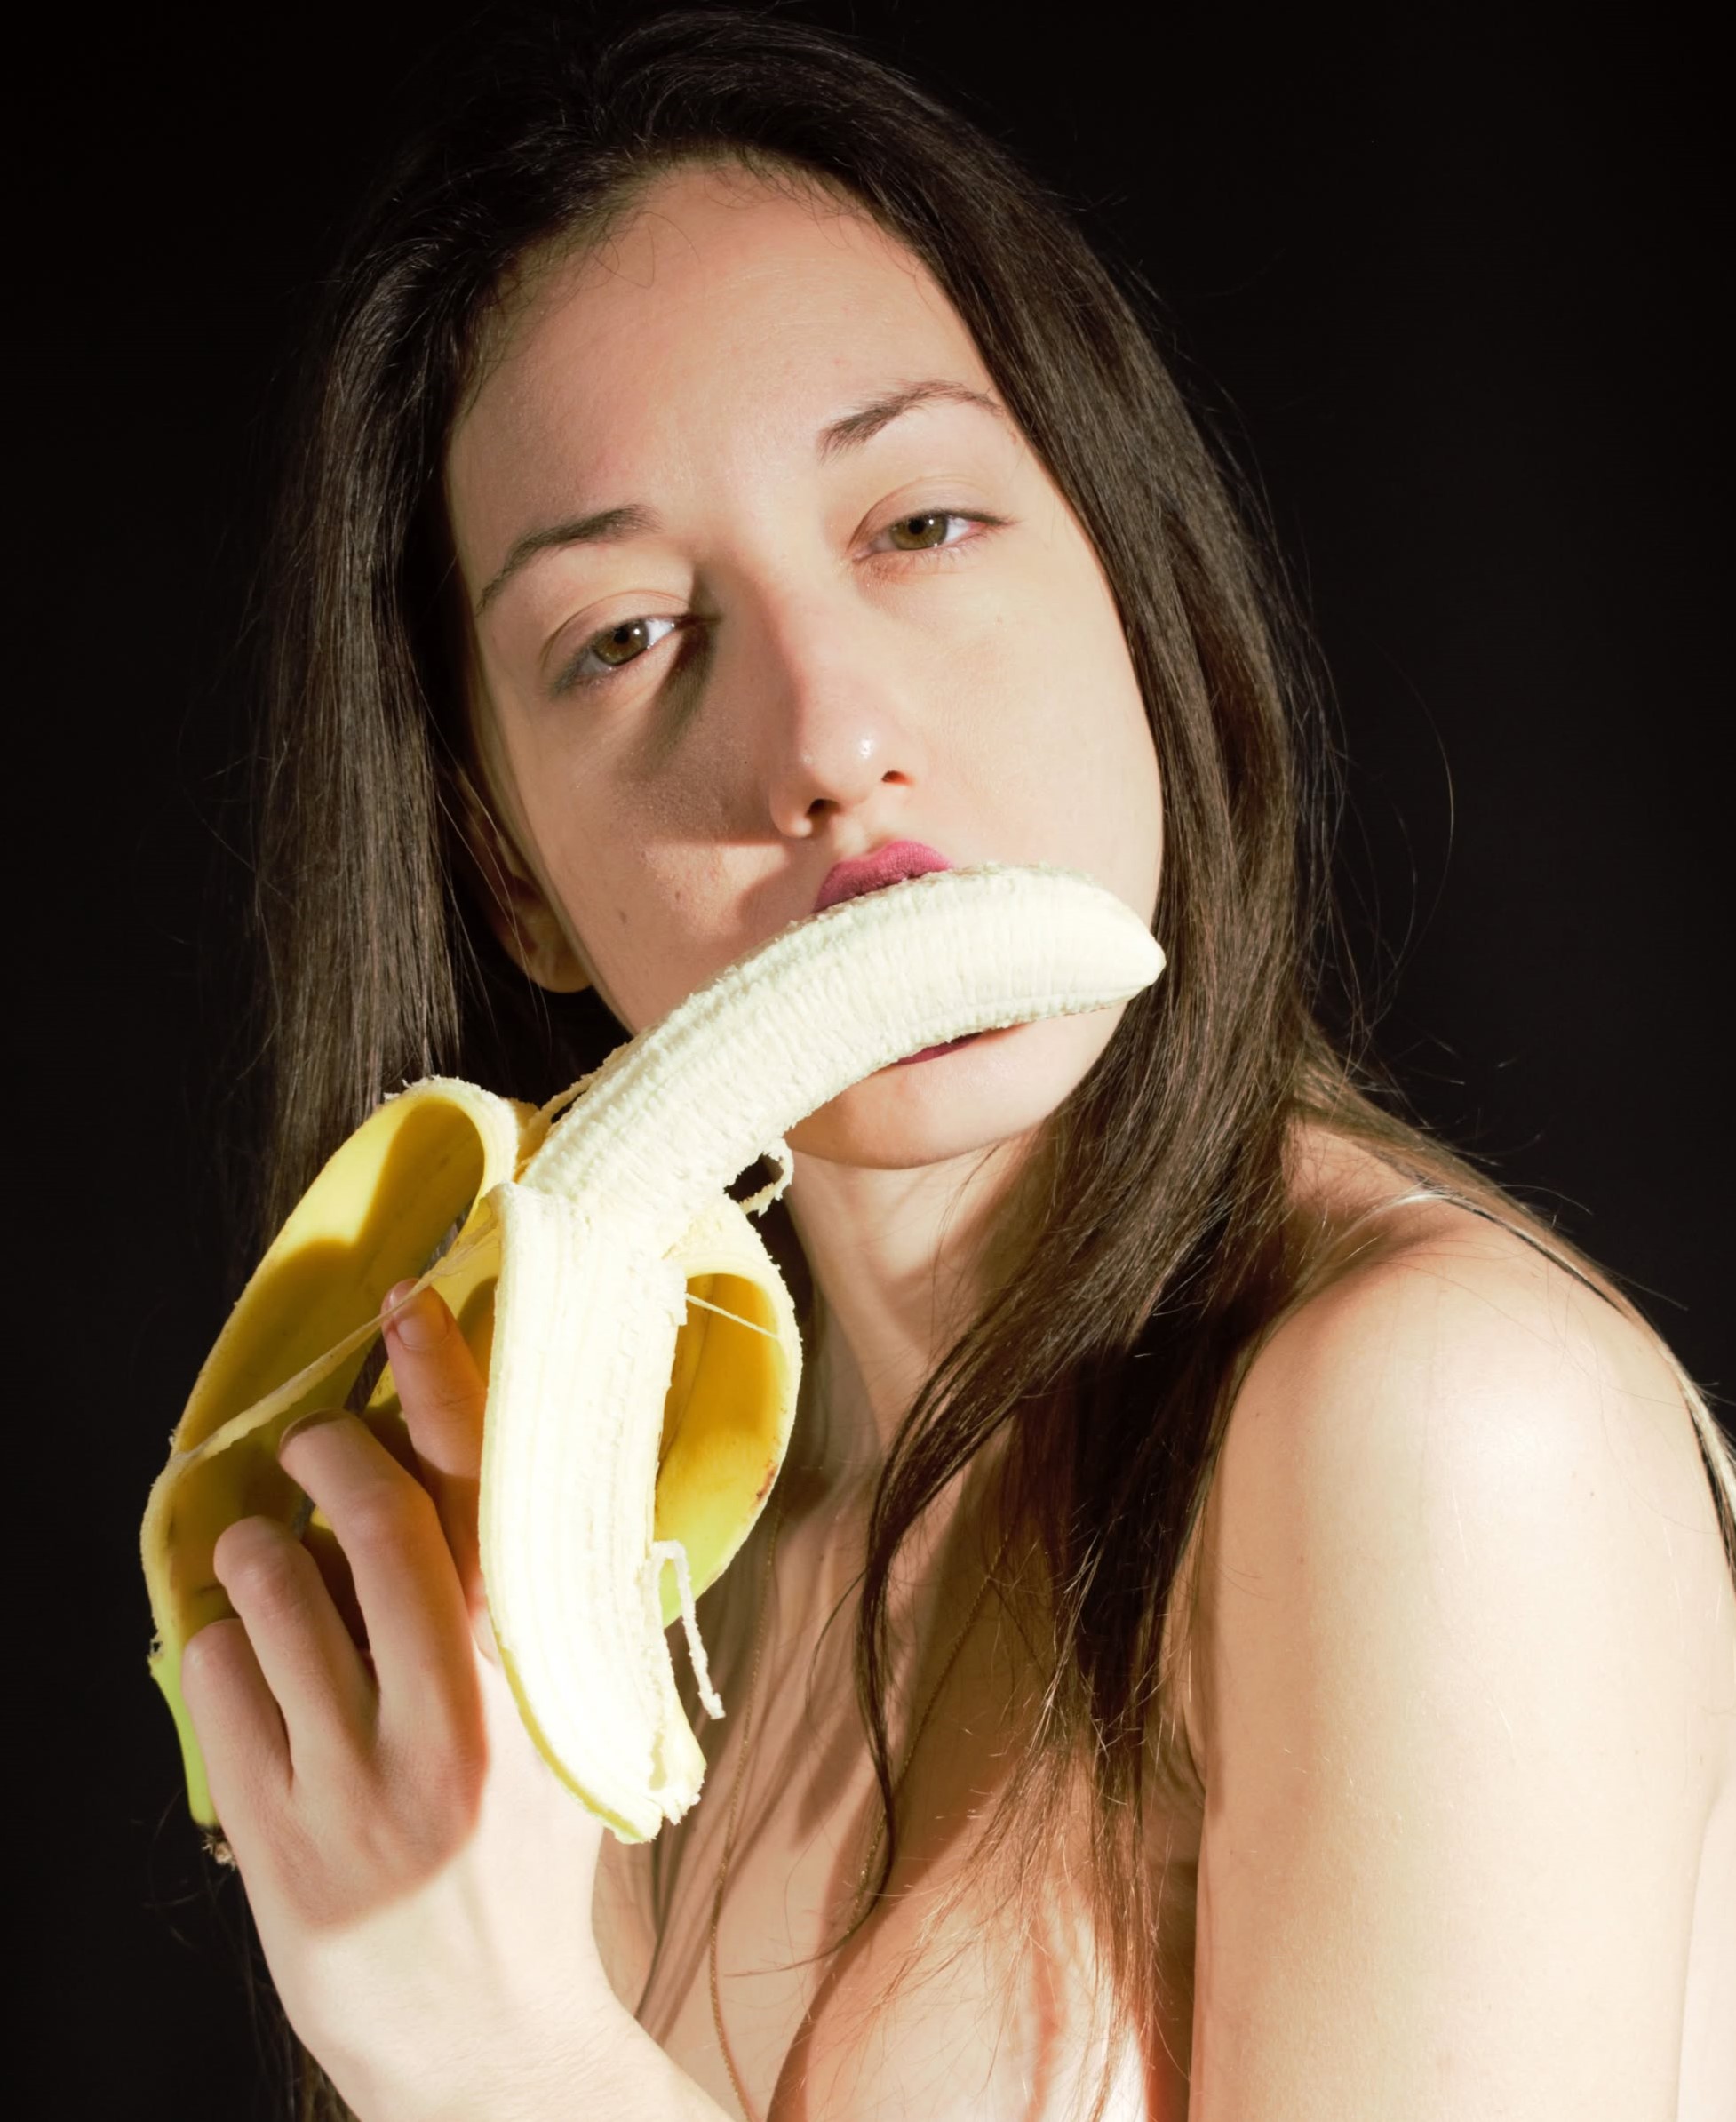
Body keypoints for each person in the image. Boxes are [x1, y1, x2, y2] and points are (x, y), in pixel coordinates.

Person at [176, 12, 1736, 2120]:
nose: (825, 738)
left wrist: (486, 2054)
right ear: (510, 872)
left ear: (1132, 585)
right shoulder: (629, 1575)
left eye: (916, 525)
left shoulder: (1445, 1425)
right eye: (626, 637)